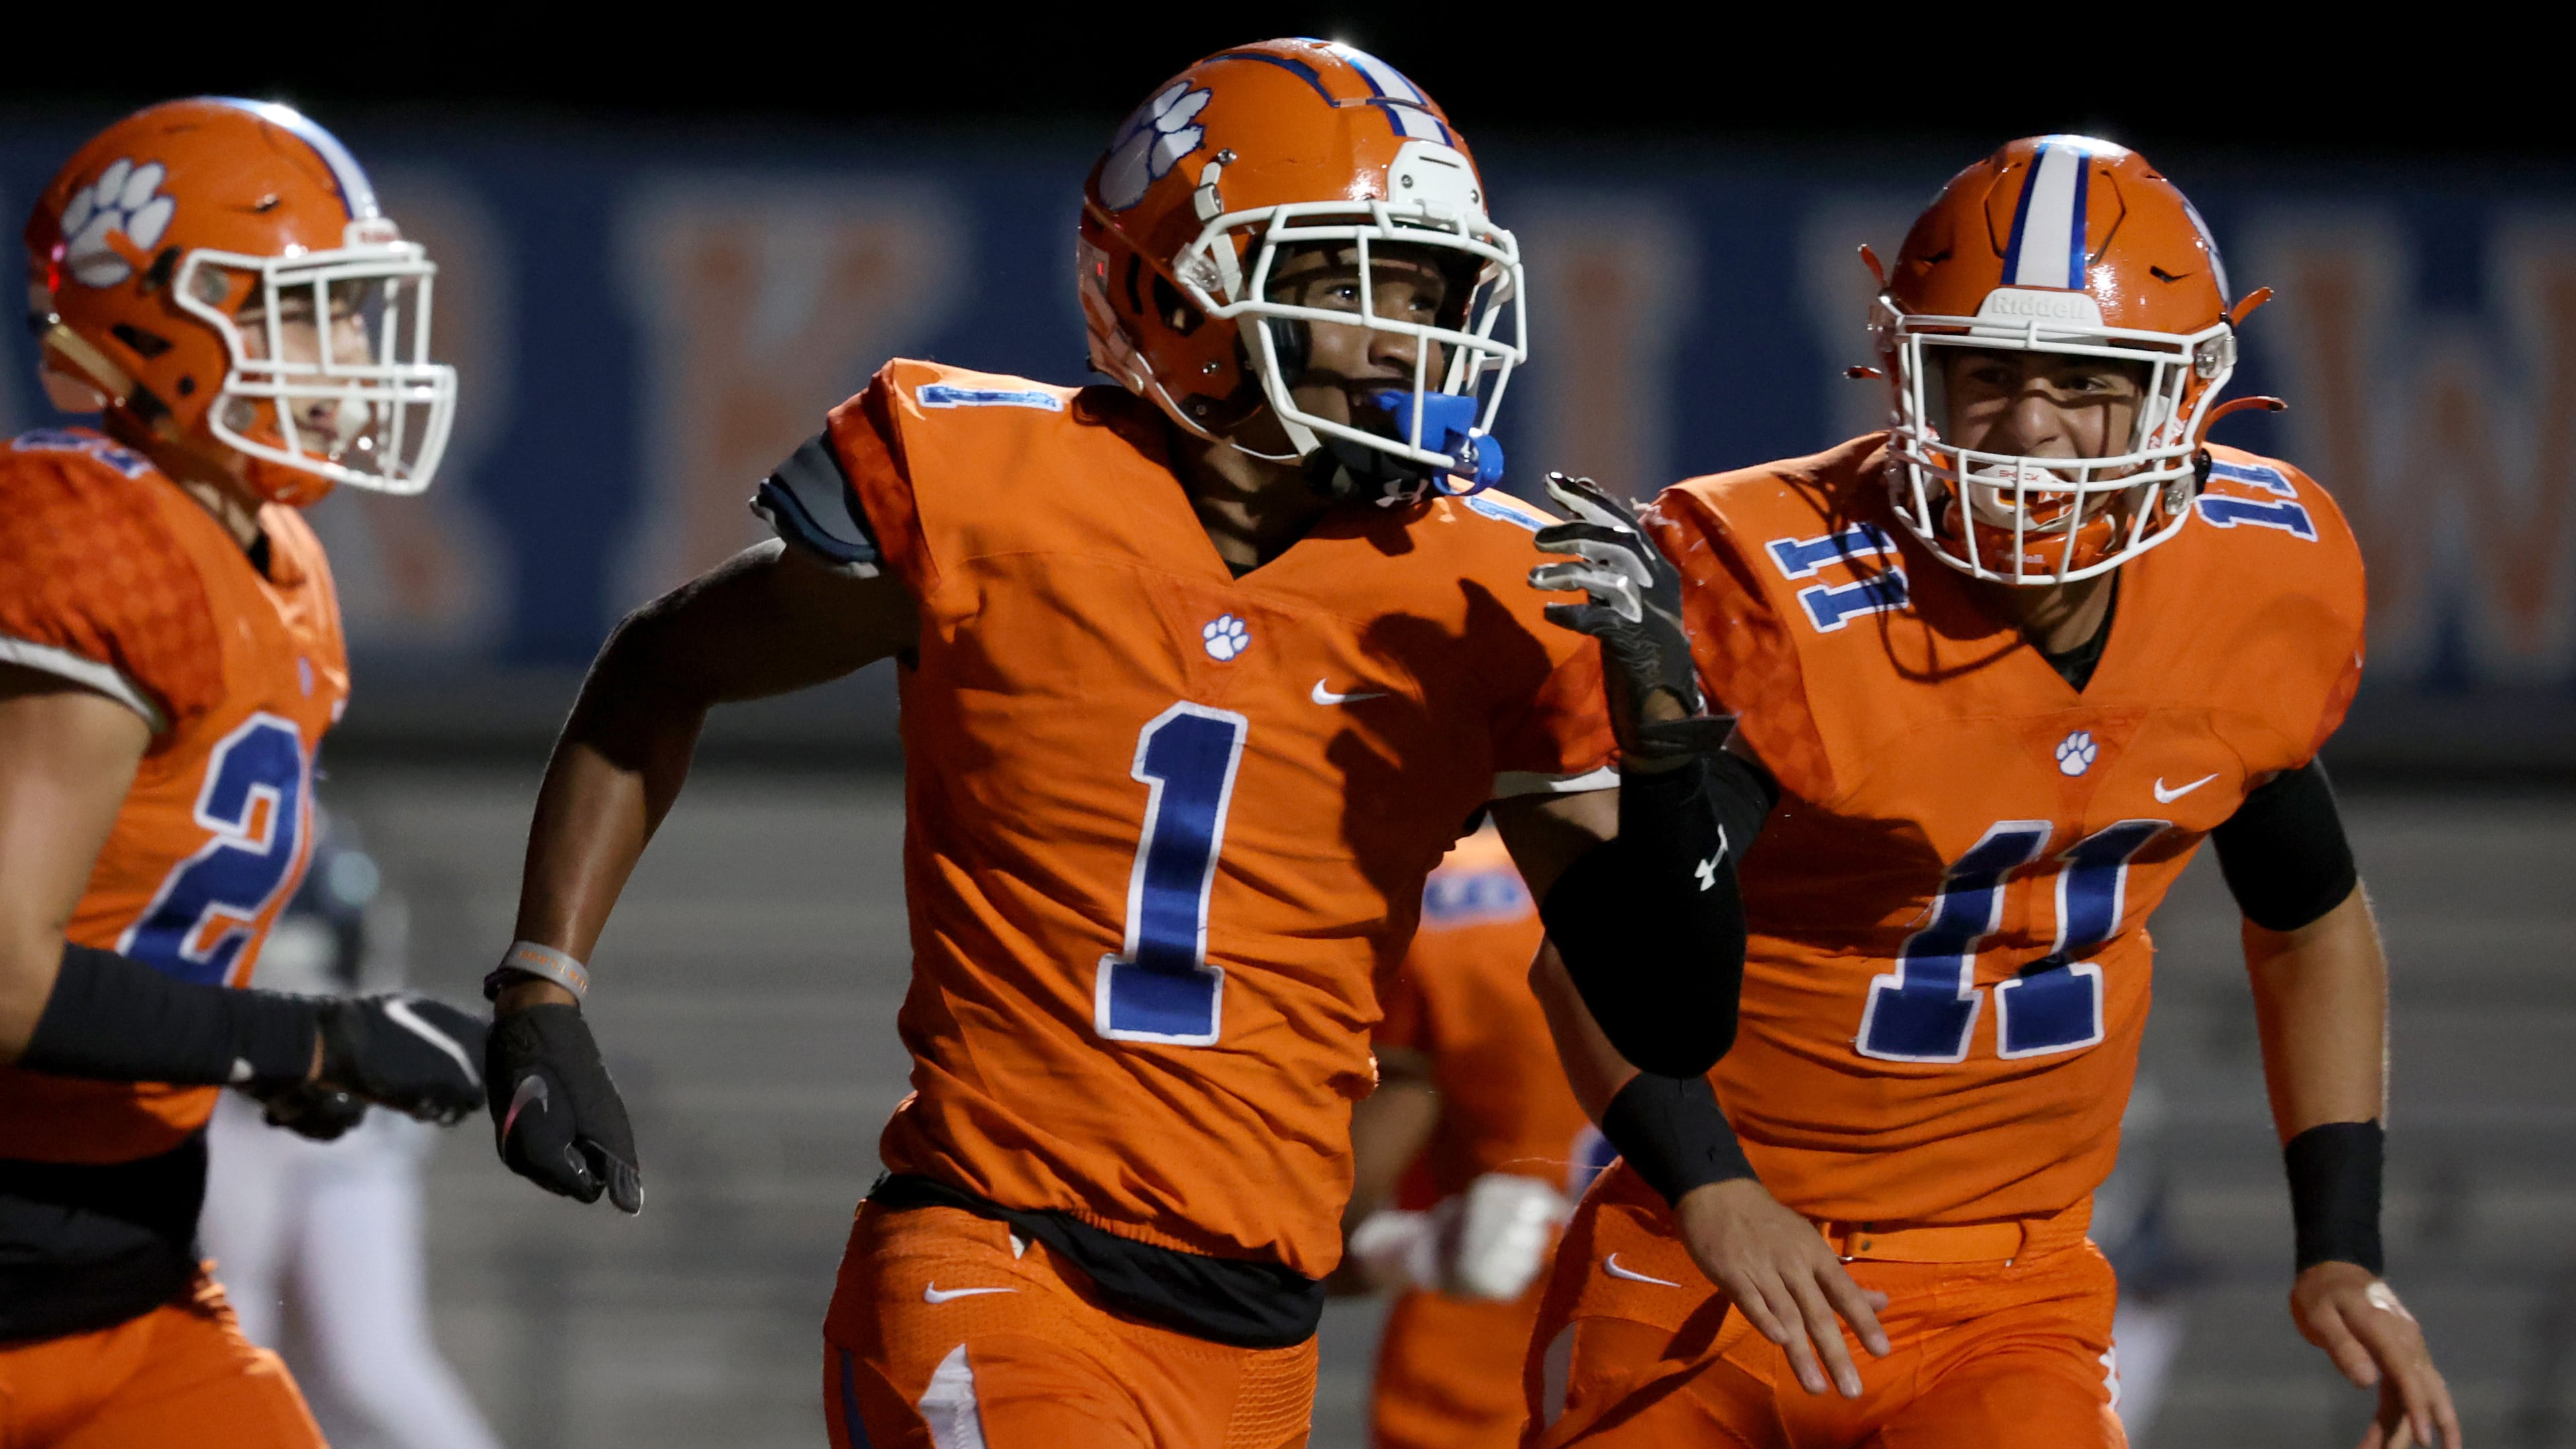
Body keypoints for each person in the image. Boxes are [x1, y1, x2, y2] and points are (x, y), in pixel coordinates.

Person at [474, 38, 1749, 1449]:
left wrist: (1670, 748)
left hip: (1258, 1332)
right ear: (1178, 284)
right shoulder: (990, 489)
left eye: (1430, 290)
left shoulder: (1491, 588)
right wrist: (543, 984)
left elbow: (1671, 1015)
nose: (1406, 338)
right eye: (1347, 287)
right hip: (998, 1262)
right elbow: (663, 666)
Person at [1520, 136, 2460, 1448]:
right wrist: (1714, 1188)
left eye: (2085, 380)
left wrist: (2341, 1244)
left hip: (2007, 1291)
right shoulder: (1770, 578)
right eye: (1986, 375)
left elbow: (2310, 919)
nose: (2029, 429)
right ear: (1909, 374)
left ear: (2184, 394)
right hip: (1713, 1256)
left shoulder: (2255, 583)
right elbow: (1606, 959)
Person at [0, 99, 486, 1448]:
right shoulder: (85, 535)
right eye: (310, 312)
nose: (349, 356)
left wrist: (293, 1063)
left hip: (128, 1266)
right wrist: (309, 1036)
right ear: (160, 323)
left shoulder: (284, 570)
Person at [201, 814, 508, 1449]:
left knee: (372, 1367)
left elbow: (348, 973)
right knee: (242, 1338)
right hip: (230, 1113)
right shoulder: (204, 834)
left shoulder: (324, 848)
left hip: (341, 1119)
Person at [1338, 823, 1607, 1449]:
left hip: (1488, 1390)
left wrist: (1416, 1248)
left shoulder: (1447, 906)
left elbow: (1321, 1222)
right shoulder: (1805, 891)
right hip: (1746, 1370)